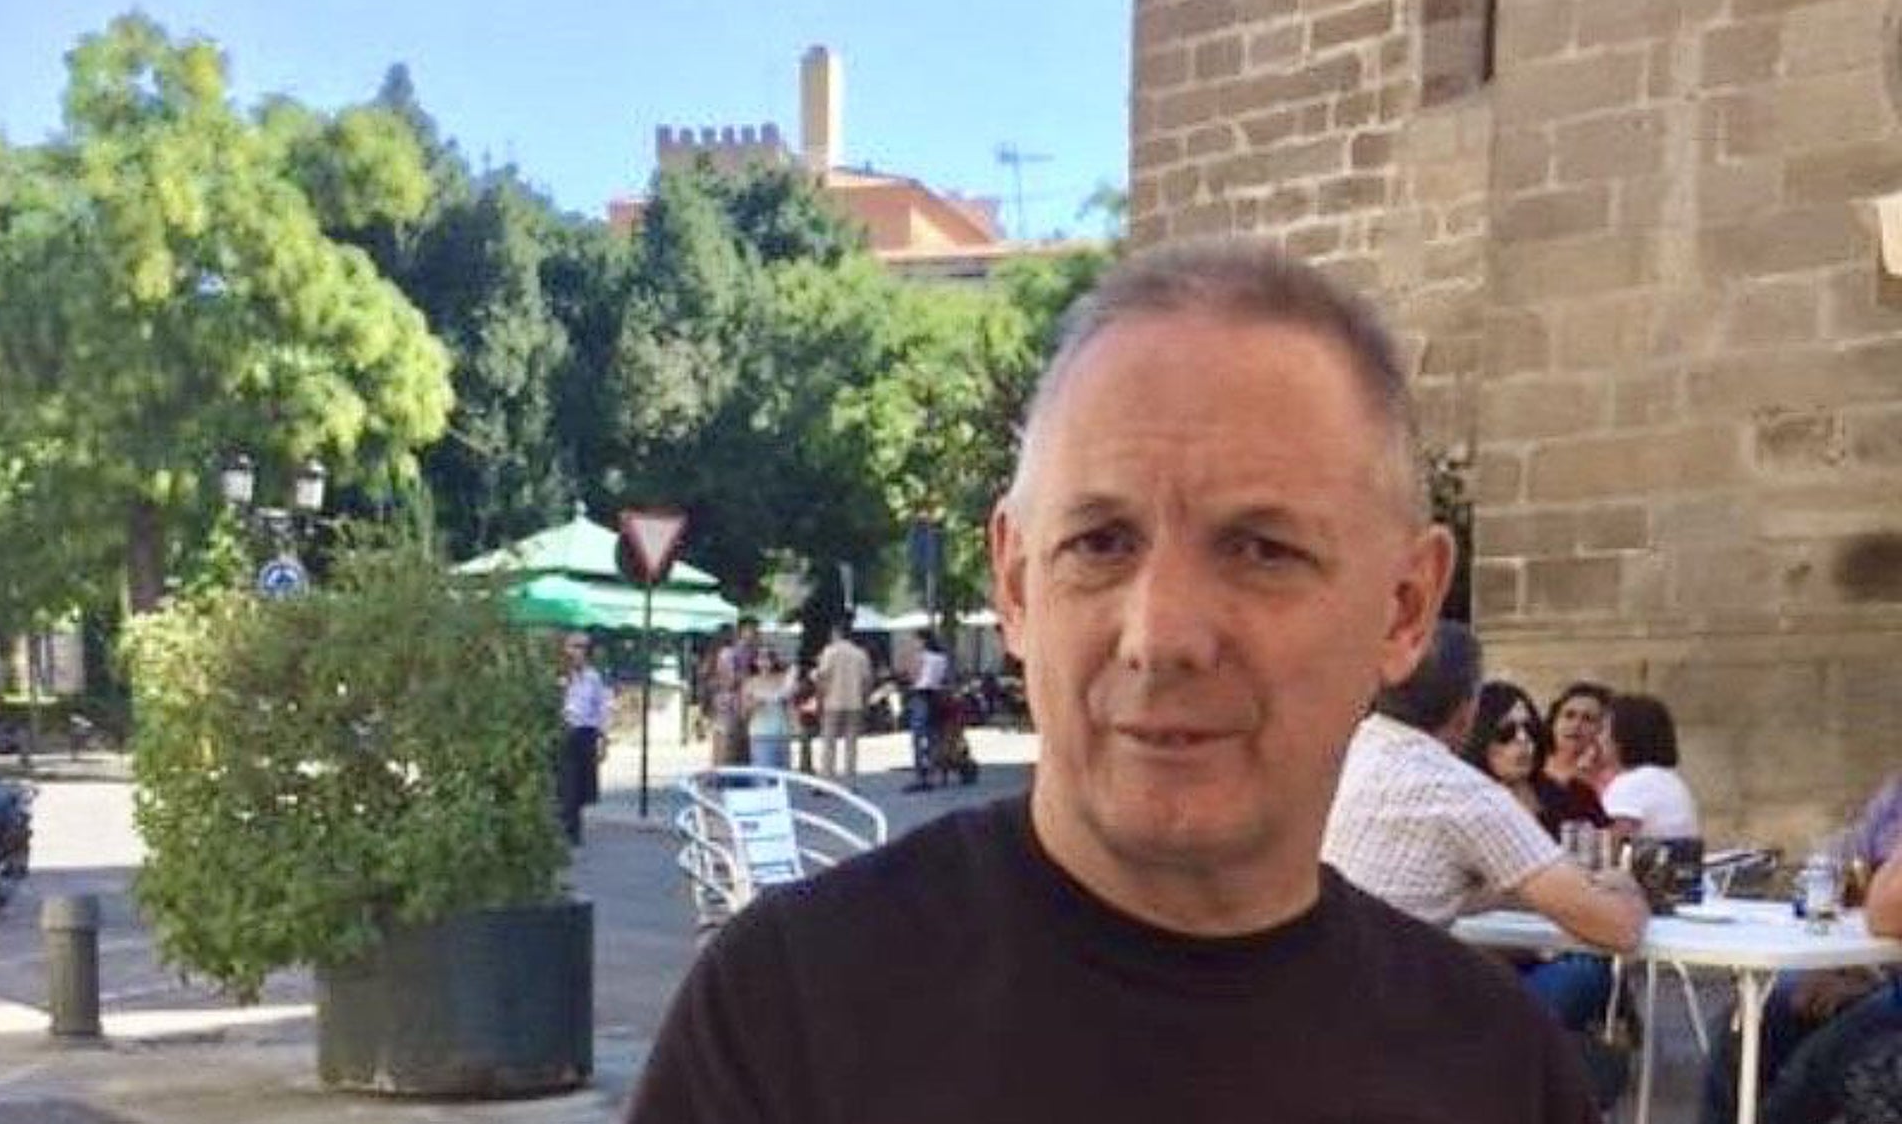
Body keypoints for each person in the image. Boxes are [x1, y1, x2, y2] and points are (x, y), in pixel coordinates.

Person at [626, 236, 1602, 1122]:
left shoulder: (1498, 1072)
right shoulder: (792, 1013)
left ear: (1403, 609)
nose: (1161, 636)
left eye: (1262, 550)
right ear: (1017, 585)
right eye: (1100, 542)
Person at [1325, 620, 1647, 1034]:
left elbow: (1404, 890)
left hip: (1305, 1008)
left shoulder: (1336, 755)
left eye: (1529, 731)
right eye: (1507, 732)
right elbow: (1618, 929)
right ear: (1468, 711)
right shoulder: (1464, 793)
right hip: (1393, 1027)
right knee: (1590, 1037)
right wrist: (1630, 888)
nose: (1523, 743)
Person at [1700, 774, 1902, 1124]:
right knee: (1750, 1023)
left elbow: (1886, 909)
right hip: (1883, 977)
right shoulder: (1895, 795)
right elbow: (1845, 860)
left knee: (1822, 1064)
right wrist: (1854, 973)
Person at [1464, 679, 1610, 839]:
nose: (1523, 739)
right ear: (1480, 737)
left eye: (1529, 729)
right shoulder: (1465, 804)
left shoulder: (1572, 797)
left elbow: (1612, 845)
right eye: (1507, 732)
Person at [1599, 693, 1699, 842]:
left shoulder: (1631, 784)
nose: (1599, 738)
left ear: (1622, 736)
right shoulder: (1670, 780)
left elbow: (1614, 843)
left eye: (1604, 730)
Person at [556, 631, 610, 847]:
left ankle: (574, 827)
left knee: (582, 785)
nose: (578, 652)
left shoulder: (593, 677)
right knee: (566, 782)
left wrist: (603, 738)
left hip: (586, 732)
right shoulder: (559, 677)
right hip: (565, 731)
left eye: (583, 648)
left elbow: (601, 708)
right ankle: (567, 829)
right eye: (574, 646)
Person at [814, 617, 871, 782]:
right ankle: (850, 780)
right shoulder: (860, 654)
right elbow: (867, 680)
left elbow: (822, 677)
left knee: (829, 743)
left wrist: (819, 700)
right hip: (854, 702)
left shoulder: (829, 652)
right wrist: (865, 700)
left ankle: (827, 778)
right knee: (851, 743)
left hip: (832, 702)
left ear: (836, 633)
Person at [1545, 680, 1615, 797]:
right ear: (1553, 722)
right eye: (1569, 715)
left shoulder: (1611, 781)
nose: (1576, 724)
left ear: (1602, 729)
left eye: (1588, 719)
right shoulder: (1531, 767)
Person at [902, 627, 949, 793]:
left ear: (922, 641)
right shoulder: (941, 657)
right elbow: (942, 678)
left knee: (918, 736)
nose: (913, 643)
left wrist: (909, 663)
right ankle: (934, 772)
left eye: (915, 640)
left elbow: (913, 677)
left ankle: (920, 775)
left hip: (920, 695)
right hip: (936, 695)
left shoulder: (922, 657)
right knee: (934, 735)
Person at [707, 616, 758, 766]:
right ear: (741, 631)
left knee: (741, 748)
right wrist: (749, 679)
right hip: (729, 705)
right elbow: (728, 680)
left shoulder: (753, 653)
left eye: (755, 630)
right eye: (750, 630)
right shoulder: (729, 653)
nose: (754, 634)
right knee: (726, 746)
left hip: (744, 706)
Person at [741, 648, 796, 771]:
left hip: (782, 734)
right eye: (761, 659)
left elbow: (790, 702)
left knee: (783, 774)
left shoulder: (782, 679)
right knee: (763, 775)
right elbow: (744, 712)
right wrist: (756, 703)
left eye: (768, 659)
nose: (764, 663)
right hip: (761, 735)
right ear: (755, 661)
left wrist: (793, 724)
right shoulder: (750, 683)